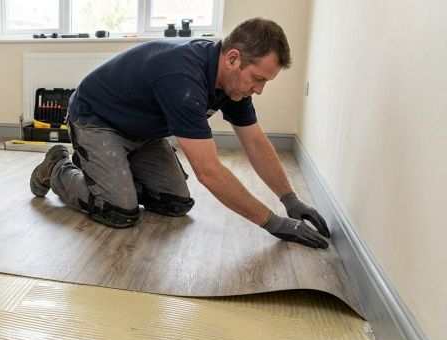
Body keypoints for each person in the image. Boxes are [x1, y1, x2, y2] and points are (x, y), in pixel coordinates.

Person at [29, 17, 331, 249]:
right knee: (119, 211)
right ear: (233, 58)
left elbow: (254, 141)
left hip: (143, 132)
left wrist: (290, 200)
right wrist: (273, 223)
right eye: (258, 79)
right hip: (96, 119)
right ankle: (57, 166)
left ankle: (107, 172)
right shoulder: (182, 79)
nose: (260, 90)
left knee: (175, 203)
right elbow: (209, 172)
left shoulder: (232, 85)